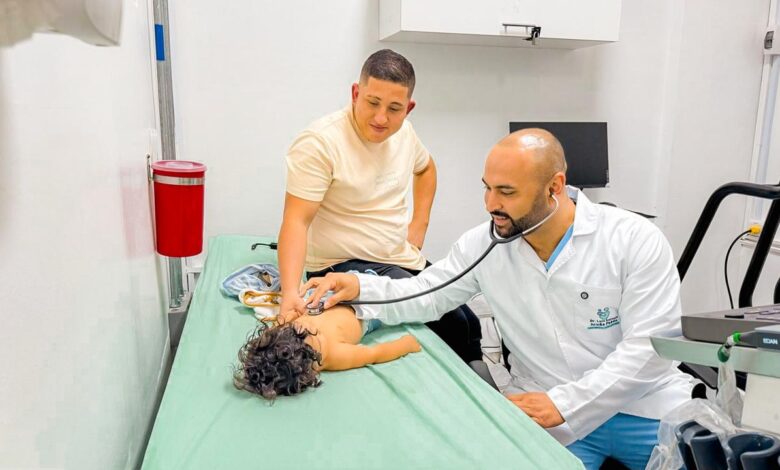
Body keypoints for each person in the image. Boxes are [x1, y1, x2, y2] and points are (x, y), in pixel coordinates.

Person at [300, 128, 694, 469]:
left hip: (643, 406)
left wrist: (566, 404)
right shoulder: (484, 244)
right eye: (487, 188)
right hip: (542, 407)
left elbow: (649, 349)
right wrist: (360, 287)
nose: (491, 204)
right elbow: (427, 293)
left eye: (506, 192)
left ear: (554, 187)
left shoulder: (633, 240)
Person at [276, 48, 482, 363]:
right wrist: (291, 292)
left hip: (398, 256)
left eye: (394, 108)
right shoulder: (320, 143)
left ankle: (486, 388)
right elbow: (296, 221)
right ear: (355, 93)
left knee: (470, 322)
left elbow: (426, 169)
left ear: (408, 108)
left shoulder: (405, 134)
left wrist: (419, 225)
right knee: (453, 325)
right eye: (372, 103)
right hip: (342, 264)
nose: (381, 118)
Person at [233, 305, 421, 400]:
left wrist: (293, 313)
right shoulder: (334, 355)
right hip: (369, 312)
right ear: (312, 371)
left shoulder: (283, 335)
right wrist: (405, 345)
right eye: (316, 340)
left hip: (333, 294)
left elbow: (289, 315)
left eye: (302, 328)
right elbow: (375, 354)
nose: (313, 327)